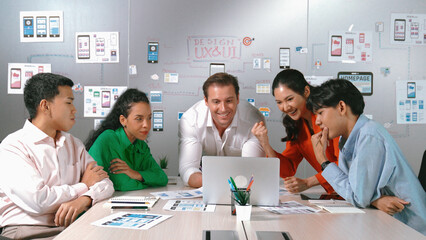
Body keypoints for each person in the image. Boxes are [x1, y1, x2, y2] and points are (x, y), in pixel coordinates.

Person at [0, 73, 114, 239]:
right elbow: (39, 201)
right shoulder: (12, 147)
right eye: (69, 102)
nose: (74, 109)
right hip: (28, 232)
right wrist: (83, 186)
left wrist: (85, 199)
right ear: (45, 106)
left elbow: (105, 182)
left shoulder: (74, 144)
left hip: (71, 228)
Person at [309, 79, 426, 235]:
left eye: (320, 113)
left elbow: (357, 198)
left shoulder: (369, 134)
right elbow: (354, 191)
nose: (317, 121)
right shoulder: (348, 139)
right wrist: (375, 200)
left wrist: (323, 161)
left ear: (342, 107)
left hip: (408, 229)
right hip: (386, 222)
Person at [251, 69, 339, 193]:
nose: (285, 107)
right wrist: (265, 143)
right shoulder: (297, 125)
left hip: (353, 192)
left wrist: (309, 182)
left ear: (306, 91)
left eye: (290, 99)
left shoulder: (329, 116)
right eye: (279, 102)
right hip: (336, 195)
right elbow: (288, 169)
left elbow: (344, 165)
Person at [179, 72, 265, 187]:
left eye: (229, 101)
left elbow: (252, 172)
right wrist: (221, 183)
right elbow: (188, 169)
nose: (223, 109)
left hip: (237, 185)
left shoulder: (253, 121)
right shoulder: (190, 120)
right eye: (216, 102)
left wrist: (218, 182)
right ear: (206, 101)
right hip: (212, 181)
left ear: (238, 98)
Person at [85, 89, 168, 191]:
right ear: (123, 120)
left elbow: (162, 178)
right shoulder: (109, 139)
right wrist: (147, 181)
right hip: (96, 202)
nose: (146, 125)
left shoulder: (141, 145)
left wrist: (135, 174)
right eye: (139, 119)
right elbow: (123, 185)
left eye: (149, 118)